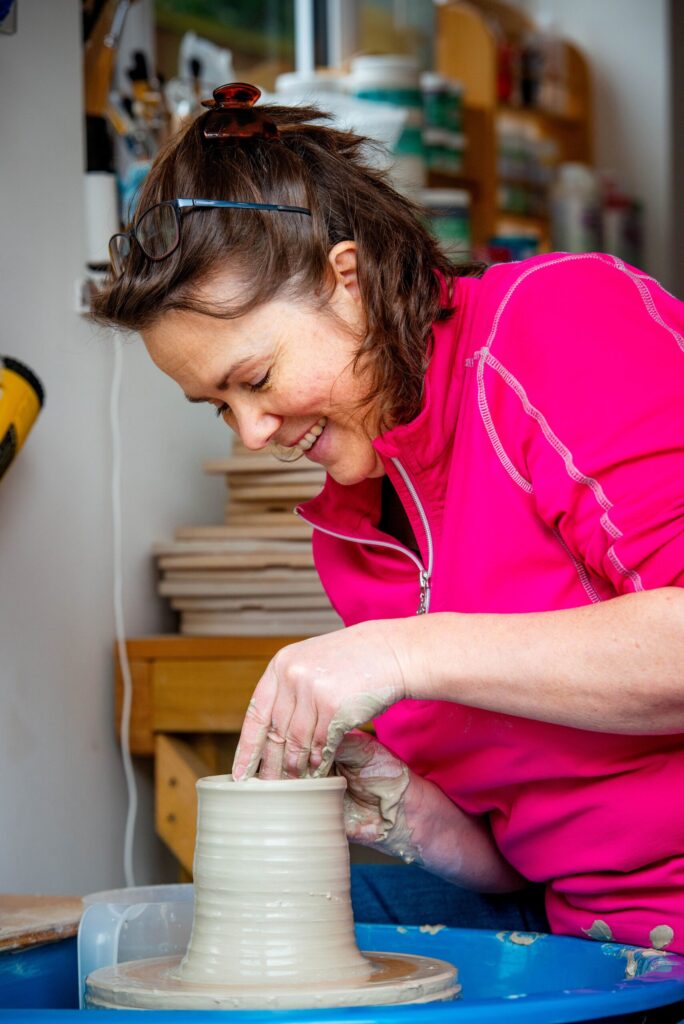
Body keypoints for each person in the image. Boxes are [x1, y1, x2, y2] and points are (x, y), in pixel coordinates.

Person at [93, 83, 684, 954]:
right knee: (201, 948)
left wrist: (404, 653)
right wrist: (410, 811)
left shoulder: (553, 325)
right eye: (214, 405)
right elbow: (527, 860)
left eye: (253, 380)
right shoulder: (354, 533)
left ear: (349, 280)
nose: (252, 434)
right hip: (588, 933)